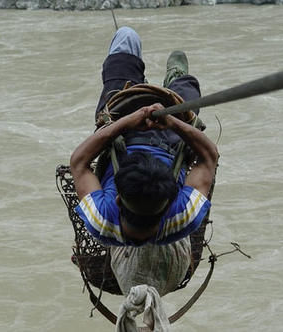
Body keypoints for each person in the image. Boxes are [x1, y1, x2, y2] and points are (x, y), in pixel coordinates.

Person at [70, 27, 218, 295]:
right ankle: (176, 79)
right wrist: (171, 120)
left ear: (116, 199)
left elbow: (79, 163)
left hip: (122, 131)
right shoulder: (182, 215)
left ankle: (144, 81)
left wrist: (129, 120)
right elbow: (209, 158)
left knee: (127, 36)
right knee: (187, 89)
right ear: (170, 201)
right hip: (169, 139)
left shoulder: (103, 219)